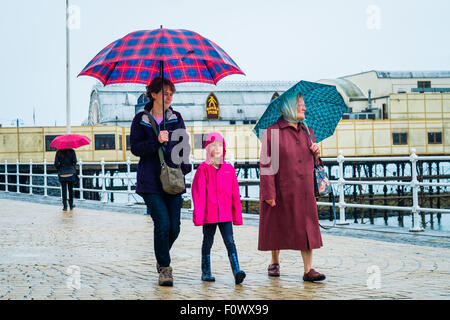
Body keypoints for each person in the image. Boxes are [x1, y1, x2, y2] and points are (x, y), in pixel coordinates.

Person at [130, 76, 192, 287]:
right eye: (165, 93)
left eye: (171, 93)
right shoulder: (140, 119)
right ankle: (165, 269)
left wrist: (184, 169)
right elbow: (136, 148)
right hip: (150, 181)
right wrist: (156, 141)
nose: (169, 97)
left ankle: (160, 255)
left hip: (173, 179)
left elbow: (184, 145)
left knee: (174, 228)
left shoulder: (176, 117)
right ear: (153, 94)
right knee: (162, 224)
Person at [258, 93, 326, 282]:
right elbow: (267, 165)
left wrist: (316, 153)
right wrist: (269, 193)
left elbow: (315, 163)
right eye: (300, 105)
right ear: (289, 107)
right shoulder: (273, 132)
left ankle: (308, 269)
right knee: (276, 226)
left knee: (307, 227)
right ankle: (274, 261)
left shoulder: (308, 131)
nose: (304, 108)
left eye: (304, 105)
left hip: (304, 191)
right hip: (281, 189)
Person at [191, 132, 246, 284]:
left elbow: (235, 194)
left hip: (226, 214)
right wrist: (199, 216)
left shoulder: (229, 169)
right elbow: (198, 193)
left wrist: (237, 216)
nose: (217, 148)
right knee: (207, 241)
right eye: (213, 145)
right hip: (209, 214)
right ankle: (206, 271)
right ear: (208, 148)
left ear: (224, 148)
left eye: (220, 145)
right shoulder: (203, 169)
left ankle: (237, 271)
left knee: (230, 241)